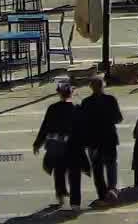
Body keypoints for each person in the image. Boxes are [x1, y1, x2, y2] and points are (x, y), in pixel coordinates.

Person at [35, 77, 88, 208]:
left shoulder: (52, 108)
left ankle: (61, 195)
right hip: (74, 147)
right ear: (71, 93)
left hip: (57, 146)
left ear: (59, 93)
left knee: (59, 171)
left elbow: (45, 127)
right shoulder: (77, 109)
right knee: (74, 174)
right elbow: (83, 128)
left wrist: (38, 143)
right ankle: (75, 203)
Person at [76, 76, 123, 206]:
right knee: (111, 165)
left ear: (91, 87)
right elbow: (118, 118)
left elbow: (82, 122)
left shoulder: (86, 102)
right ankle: (112, 191)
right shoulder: (111, 100)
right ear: (103, 86)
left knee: (97, 169)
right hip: (109, 138)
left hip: (93, 140)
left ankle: (102, 196)